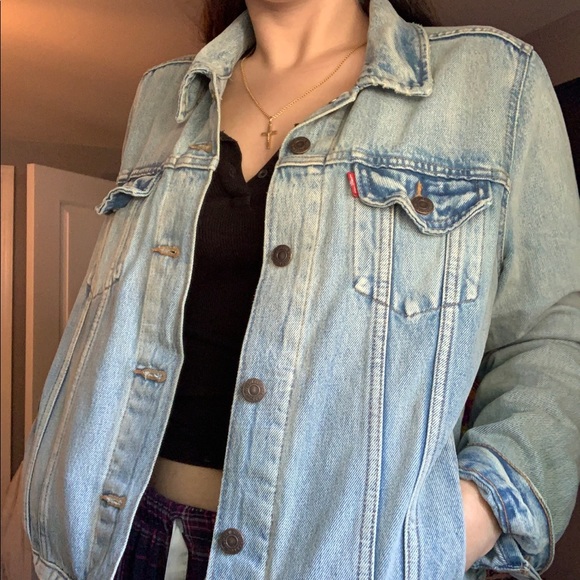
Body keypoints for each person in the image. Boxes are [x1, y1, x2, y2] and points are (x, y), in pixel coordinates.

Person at [22, 0, 580, 579]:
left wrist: (452, 530)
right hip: (110, 546)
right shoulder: (164, 95)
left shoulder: (494, 80)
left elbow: (551, 341)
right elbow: (99, 334)